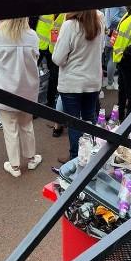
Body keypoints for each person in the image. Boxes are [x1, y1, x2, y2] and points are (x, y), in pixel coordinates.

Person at [0, 17, 42, 177]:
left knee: (10, 129)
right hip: (27, 89)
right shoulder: (32, 35)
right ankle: (32, 159)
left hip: (4, 90)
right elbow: (35, 59)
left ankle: (15, 166)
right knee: (27, 124)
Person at [52, 8, 105, 163]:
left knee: (74, 122)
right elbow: (101, 49)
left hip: (72, 82)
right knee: (89, 119)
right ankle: (91, 157)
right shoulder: (99, 23)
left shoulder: (70, 25)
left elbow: (57, 58)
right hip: (93, 80)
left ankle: (76, 159)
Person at [30, 0, 71, 137]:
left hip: (55, 48)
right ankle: (34, 105)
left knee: (54, 77)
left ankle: (50, 105)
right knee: (33, 74)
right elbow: (34, 19)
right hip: (40, 43)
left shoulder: (68, 10)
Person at [103, 0, 131, 91]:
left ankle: (109, 81)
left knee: (111, 58)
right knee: (112, 59)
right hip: (113, 33)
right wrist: (127, 20)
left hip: (110, 32)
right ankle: (110, 82)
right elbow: (113, 18)